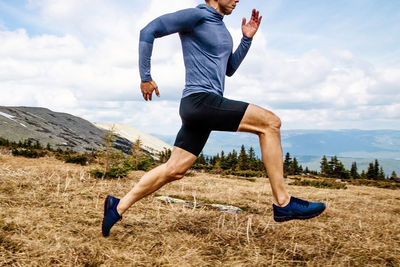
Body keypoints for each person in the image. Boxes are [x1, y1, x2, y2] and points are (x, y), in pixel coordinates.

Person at [102, 0, 326, 237]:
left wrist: (246, 39)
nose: (237, 0)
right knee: (271, 123)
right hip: (200, 101)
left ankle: (117, 206)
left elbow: (228, 68)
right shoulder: (196, 16)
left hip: (202, 107)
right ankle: (283, 203)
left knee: (175, 169)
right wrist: (145, 76)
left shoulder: (221, 27)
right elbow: (148, 30)